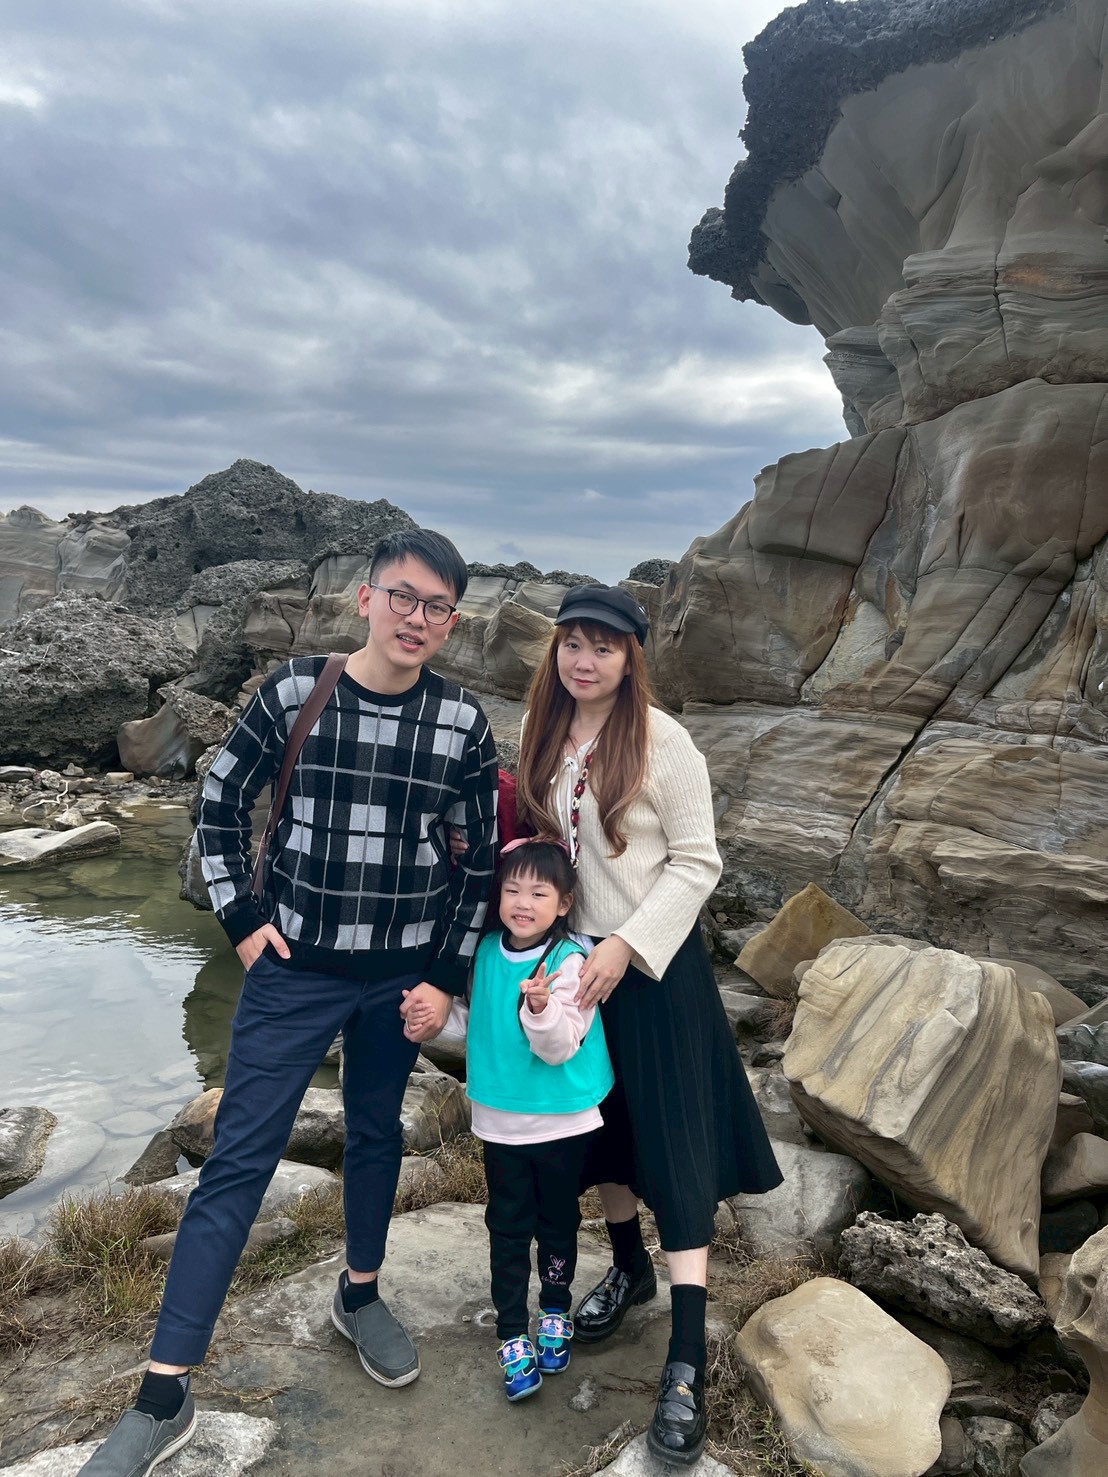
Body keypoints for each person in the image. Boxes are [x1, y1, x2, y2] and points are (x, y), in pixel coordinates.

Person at [79, 528, 498, 1477]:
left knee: (376, 1133)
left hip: (400, 977)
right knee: (238, 1160)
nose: (417, 618)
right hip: (295, 969)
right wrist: (241, 918)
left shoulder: (462, 723)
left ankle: (360, 1292)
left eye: (437, 606)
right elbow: (221, 800)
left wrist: (445, 975)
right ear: (367, 598)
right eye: (403, 596)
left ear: (452, 621)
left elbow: (475, 859)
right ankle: (164, 1392)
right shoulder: (295, 690)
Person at [514, 583, 783, 1468]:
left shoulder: (665, 742)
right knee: (599, 1131)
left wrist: (628, 944)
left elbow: (700, 862)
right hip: (574, 968)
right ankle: (629, 1266)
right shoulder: (543, 730)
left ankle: (685, 1357)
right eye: (573, 643)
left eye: (604, 646)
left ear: (632, 658)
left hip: (655, 972)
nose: (584, 660)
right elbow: (543, 848)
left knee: (674, 1148)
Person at [414, 835, 613, 1402]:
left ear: (564, 903)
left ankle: (554, 1310)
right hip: (500, 1121)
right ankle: (510, 1332)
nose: (523, 903)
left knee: (557, 1221)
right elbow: (475, 1024)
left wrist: (540, 1007)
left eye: (539, 893)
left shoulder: (570, 962)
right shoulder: (483, 954)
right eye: (512, 890)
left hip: (560, 1121)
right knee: (506, 1225)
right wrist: (431, 1020)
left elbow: (559, 1046)